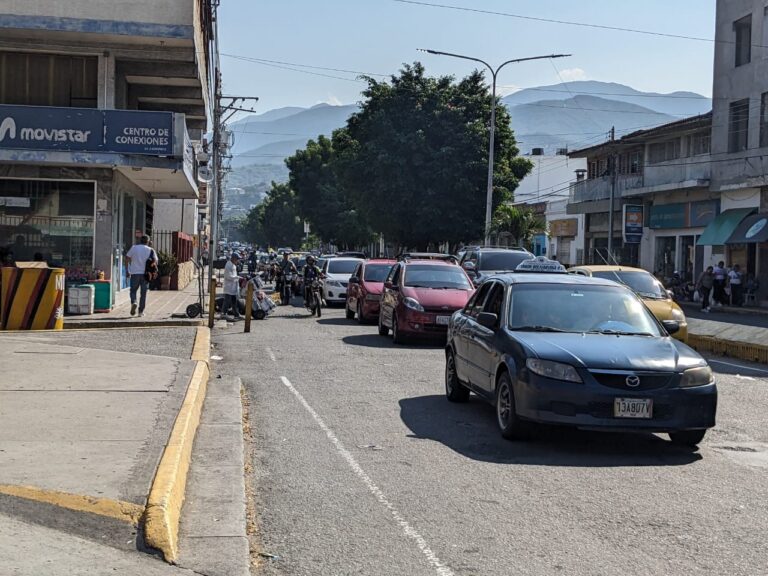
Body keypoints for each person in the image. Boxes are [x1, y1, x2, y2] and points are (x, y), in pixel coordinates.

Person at [126, 235, 158, 317]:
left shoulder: (134, 248)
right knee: (143, 293)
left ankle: (134, 302)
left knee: (133, 290)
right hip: (146, 274)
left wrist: (127, 270)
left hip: (134, 273)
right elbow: (155, 262)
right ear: (148, 241)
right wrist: (154, 272)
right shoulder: (151, 250)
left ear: (140, 240)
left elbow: (127, 257)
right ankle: (140, 312)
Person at [221, 252, 242, 320]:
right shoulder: (228, 265)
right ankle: (223, 313)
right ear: (233, 258)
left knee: (234, 301)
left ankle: (236, 314)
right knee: (227, 301)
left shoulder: (233, 265)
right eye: (237, 259)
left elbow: (234, 275)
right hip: (229, 286)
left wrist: (238, 278)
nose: (238, 260)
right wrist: (237, 277)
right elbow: (228, 276)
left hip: (233, 287)